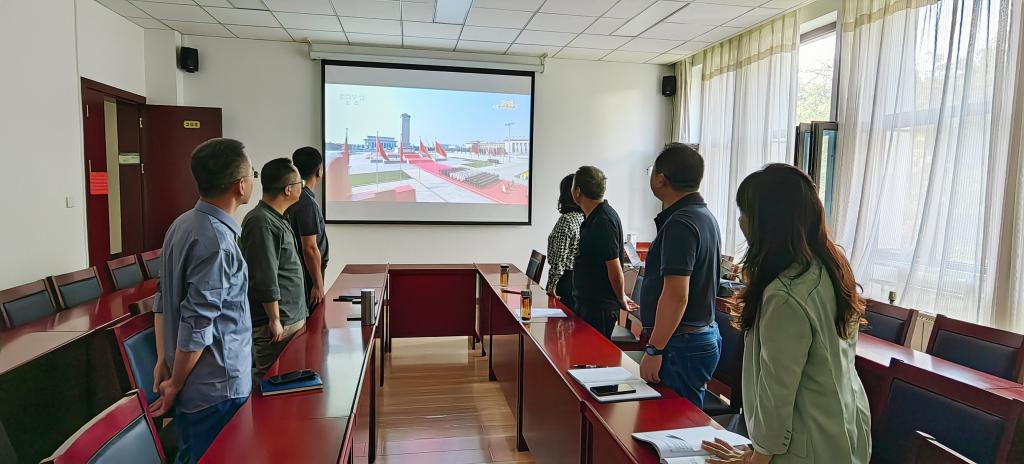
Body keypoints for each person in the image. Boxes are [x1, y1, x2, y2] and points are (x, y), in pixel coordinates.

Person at [702, 164, 871, 464]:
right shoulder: (829, 267)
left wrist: (758, 459)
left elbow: (777, 391)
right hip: (839, 429)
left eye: (745, 212)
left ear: (768, 222)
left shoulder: (784, 294)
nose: (740, 221)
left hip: (807, 446)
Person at [149, 138, 254, 463]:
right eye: (253, 174)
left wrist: (163, 359)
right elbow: (198, 324)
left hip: (191, 379)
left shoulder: (181, 224)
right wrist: (174, 384)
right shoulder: (218, 243)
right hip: (216, 387)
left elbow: (162, 300)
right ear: (240, 185)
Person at [637, 144, 723, 408]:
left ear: (661, 179)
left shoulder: (681, 223)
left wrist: (655, 349)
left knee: (674, 423)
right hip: (694, 337)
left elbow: (676, 295)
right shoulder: (704, 216)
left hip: (680, 343)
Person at [240, 158, 308, 378]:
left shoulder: (275, 218)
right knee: (270, 383)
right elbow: (264, 276)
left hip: (289, 318)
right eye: (300, 183)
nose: (302, 187)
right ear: (288, 189)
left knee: (289, 382)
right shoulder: (261, 222)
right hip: (278, 324)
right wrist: (275, 319)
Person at [571, 166, 633, 338]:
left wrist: (621, 297)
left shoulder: (603, 220)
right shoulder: (594, 217)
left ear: (577, 191)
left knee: (593, 354)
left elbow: (615, 270)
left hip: (598, 308)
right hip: (588, 304)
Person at [287, 147, 329, 312]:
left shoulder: (297, 197)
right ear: (319, 171)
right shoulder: (307, 202)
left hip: (304, 273)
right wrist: (318, 285)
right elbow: (310, 248)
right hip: (308, 275)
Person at [546, 173, 584, 312]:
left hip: (565, 280)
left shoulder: (566, 220)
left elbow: (559, 258)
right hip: (577, 279)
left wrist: (552, 285)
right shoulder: (583, 217)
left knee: (559, 322)